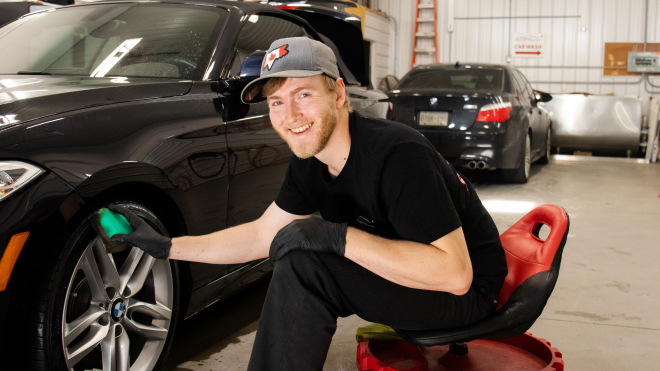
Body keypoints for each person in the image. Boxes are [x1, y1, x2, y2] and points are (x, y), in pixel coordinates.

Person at [109, 37, 508, 370]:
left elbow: (455, 275)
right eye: (277, 102)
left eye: (303, 94)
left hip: (467, 292)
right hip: (408, 274)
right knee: (304, 257)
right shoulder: (309, 159)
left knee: (307, 263)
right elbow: (264, 234)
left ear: (337, 93)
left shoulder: (397, 156)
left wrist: (334, 236)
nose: (291, 115)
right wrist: (169, 246)